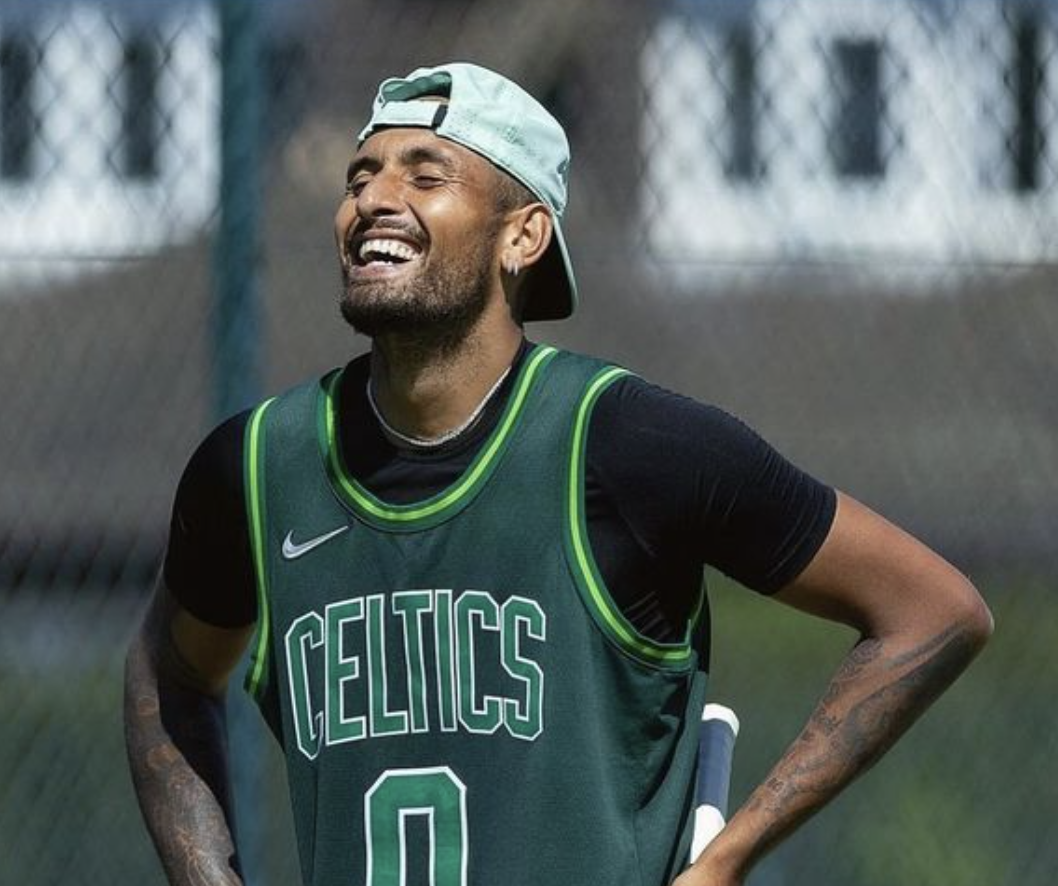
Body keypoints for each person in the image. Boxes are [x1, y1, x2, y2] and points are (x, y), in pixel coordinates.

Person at [124, 62, 993, 886]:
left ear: (524, 234)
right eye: (360, 178)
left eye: (426, 177)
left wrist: (727, 858)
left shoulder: (629, 444)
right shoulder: (256, 464)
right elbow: (167, 676)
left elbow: (934, 612)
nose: (373, 201)